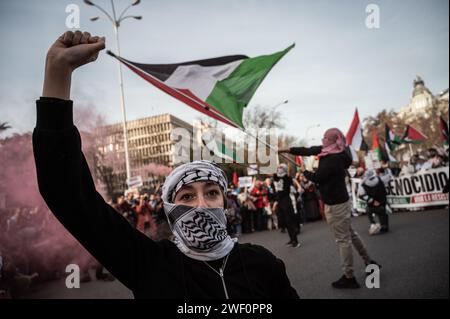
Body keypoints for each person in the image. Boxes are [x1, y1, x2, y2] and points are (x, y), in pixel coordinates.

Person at [33, 31, 299, 299]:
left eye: (211, 192)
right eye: (186, 196)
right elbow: (67, 193)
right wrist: (58, 73)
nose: (201, 203)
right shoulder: (152, 264)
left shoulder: (261, 263)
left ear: (224, 200)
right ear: (171, 210)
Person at [279, 128, 379, 289]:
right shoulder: (333, 151)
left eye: (326, 137)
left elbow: (318, 178)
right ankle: (369, 261)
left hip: (336, 205)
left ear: (333, 140)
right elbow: (308, 150)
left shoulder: (333, 159)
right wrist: (287, 150)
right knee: (350, 235)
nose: (323, 140)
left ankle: (349, 276)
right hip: (339, 202)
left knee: (343, 240)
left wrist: (305, 172)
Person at [273, 164, 301, 248]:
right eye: (278, 168)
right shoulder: (277, 178)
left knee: (290, 221)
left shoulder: (287, 178)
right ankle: (291, 239)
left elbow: (285, 179)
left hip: (286, 201)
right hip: (280, 202)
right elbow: (275, 177)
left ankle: (295, 241)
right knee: (284, 221)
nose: (279, 169)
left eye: (281, 168)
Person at [358, 168, 393, 235]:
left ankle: (373, 223)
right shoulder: (380, 179)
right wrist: (385, 169)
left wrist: (372, 201)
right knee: (383, 214)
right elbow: (389, 176)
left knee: (368, 210)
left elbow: (361, 195)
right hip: (382, 203)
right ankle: (384, 226)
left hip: (371, 206)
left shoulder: (363, 184)